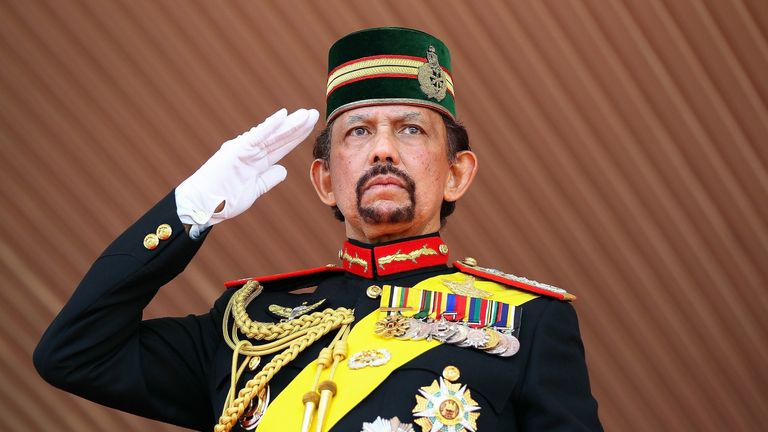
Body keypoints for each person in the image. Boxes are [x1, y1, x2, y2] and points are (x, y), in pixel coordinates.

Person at [34, 27, 602, 432]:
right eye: (357, 132)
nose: (382, 148)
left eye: (409, 129)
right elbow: (73, 353)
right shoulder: (246, 326)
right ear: (325, 181)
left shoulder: (528, 323)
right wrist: (190, 209)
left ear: (457, 173)